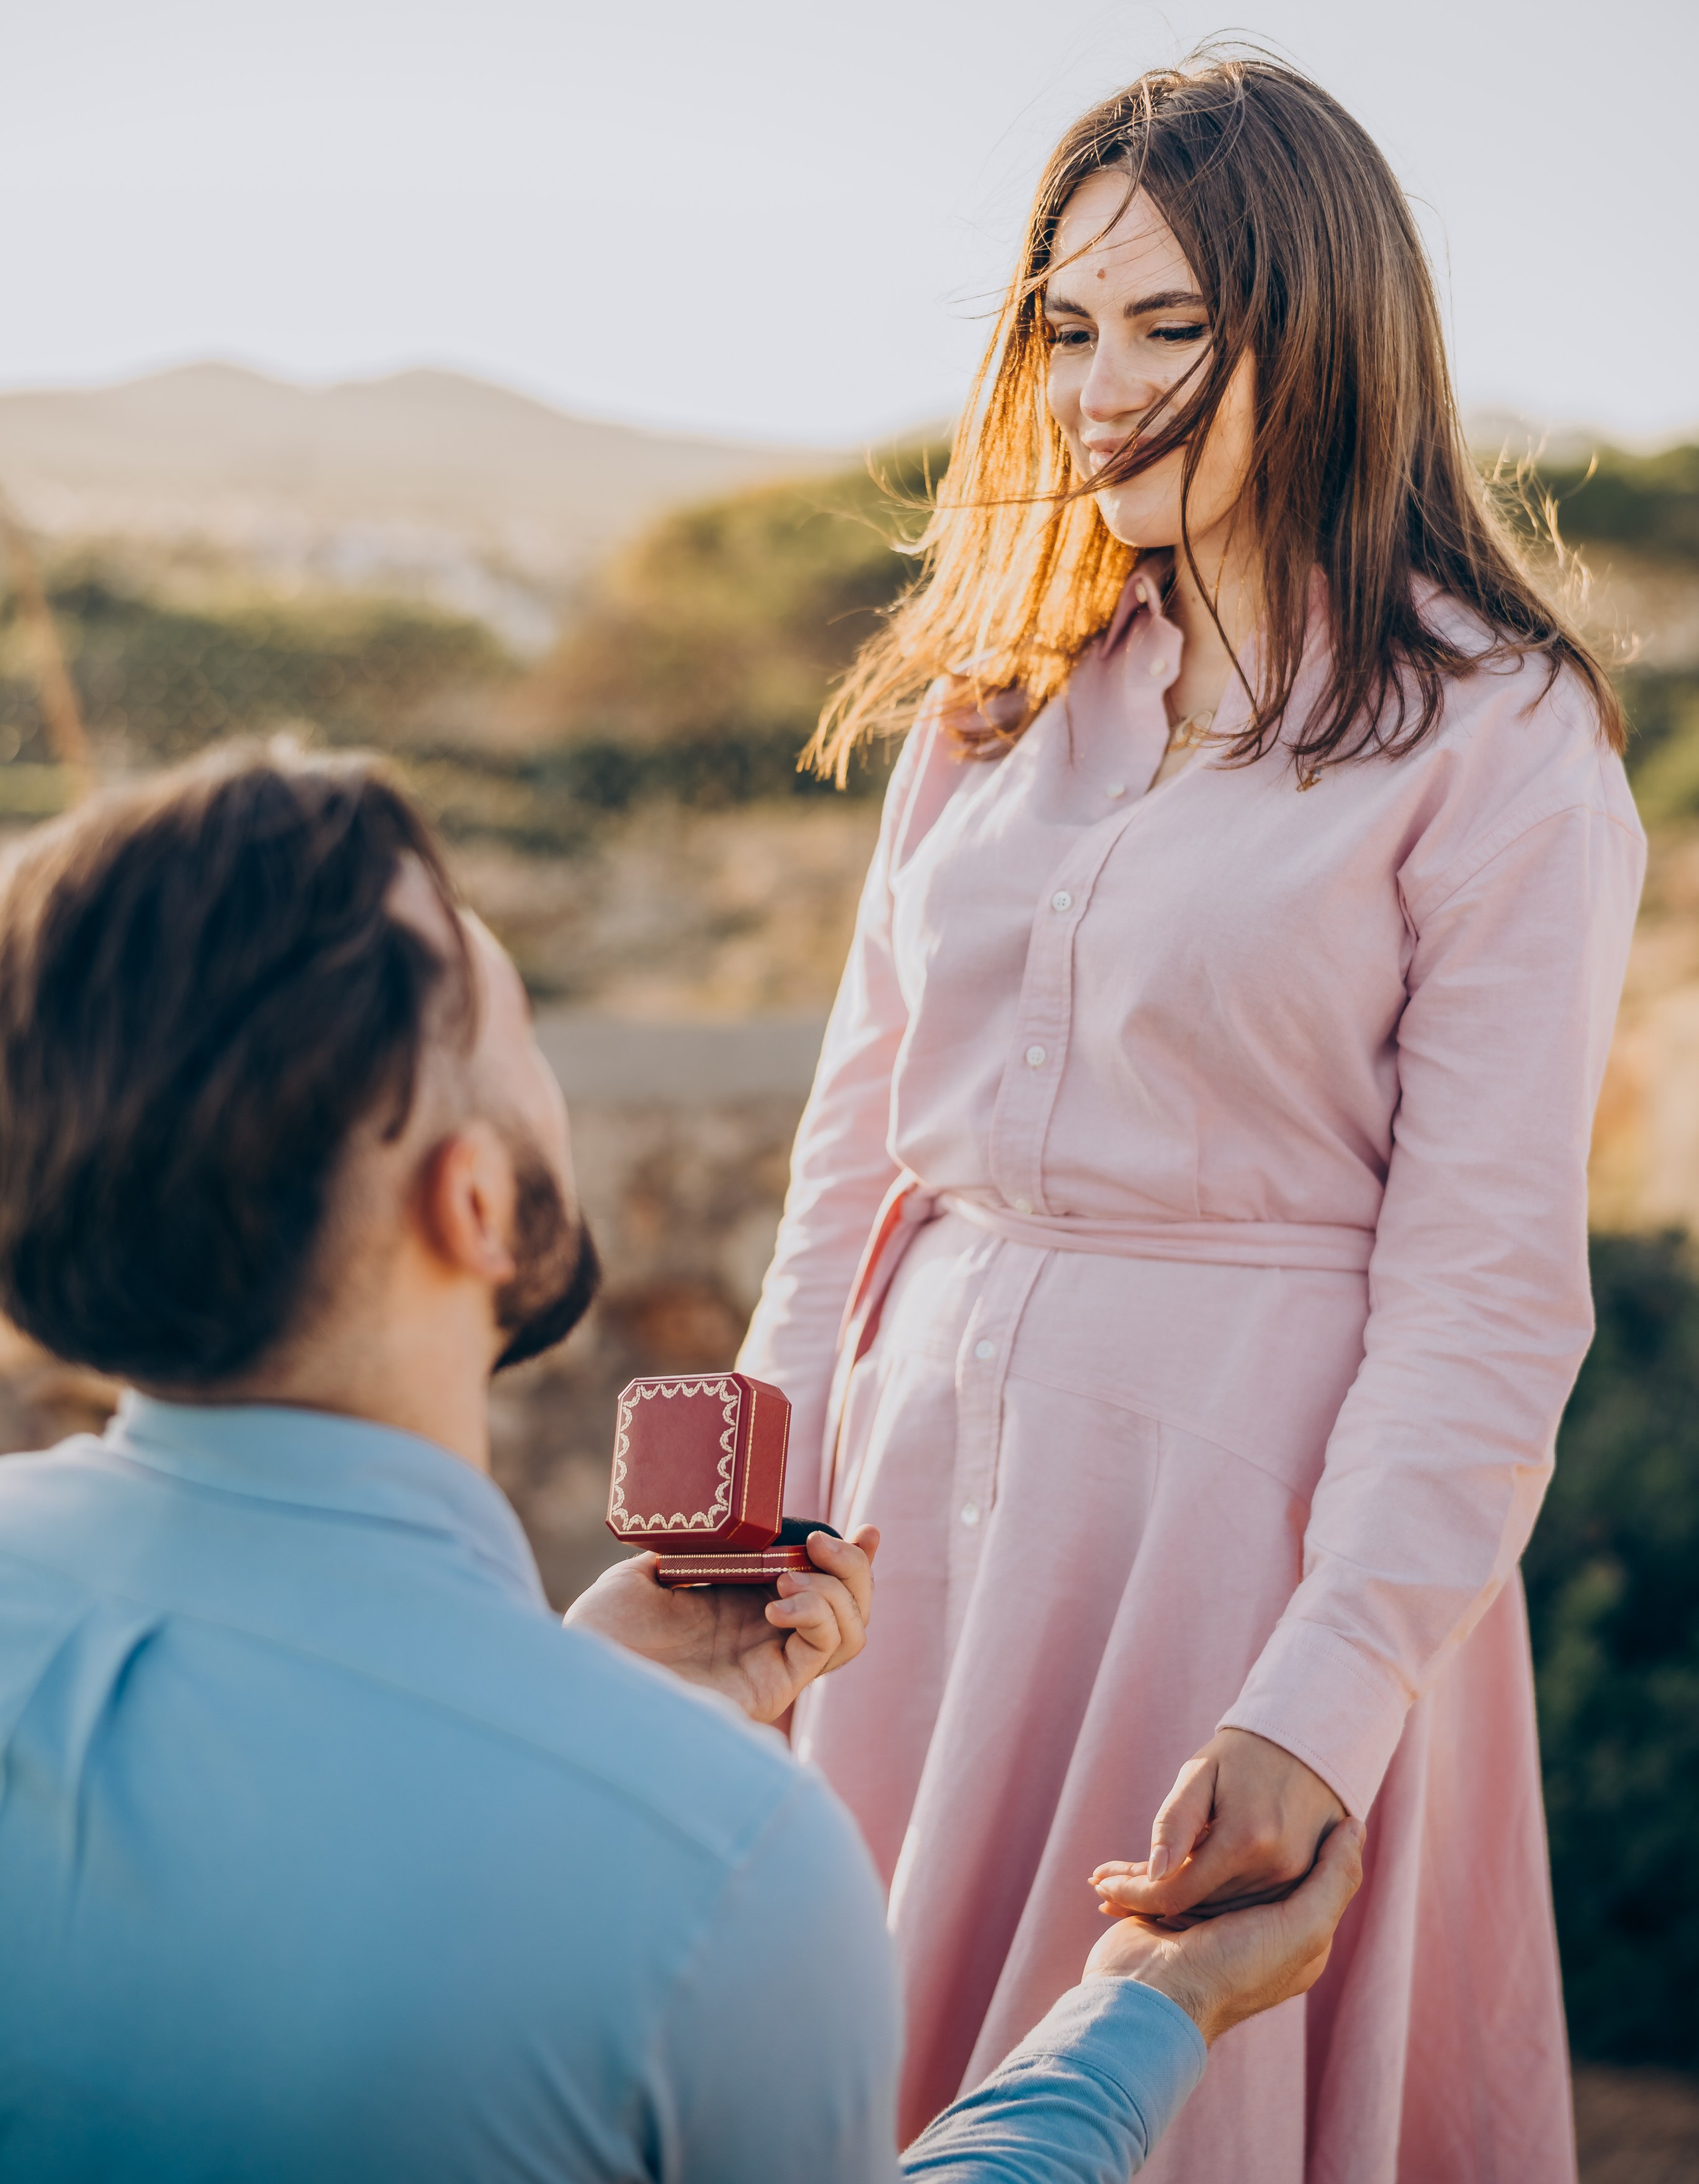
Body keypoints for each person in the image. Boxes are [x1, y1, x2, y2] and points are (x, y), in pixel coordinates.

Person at [0, 743, 1363, 2184]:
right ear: (470, 1202)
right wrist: (1143, 2016)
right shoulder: (714, 1863)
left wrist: (584, 1693)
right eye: (511, 1009)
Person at [739, 52, 1646, 2181]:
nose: (1099, 385)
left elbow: (1490, 1289)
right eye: (1066, 326)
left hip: (1249, 1542)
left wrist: (1320, 1697)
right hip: (906, 1513)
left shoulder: (1501, 745)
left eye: (1172, 326)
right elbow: (849, 1156)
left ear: (1323, 335)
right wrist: (754, 1513)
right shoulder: (993, 702)